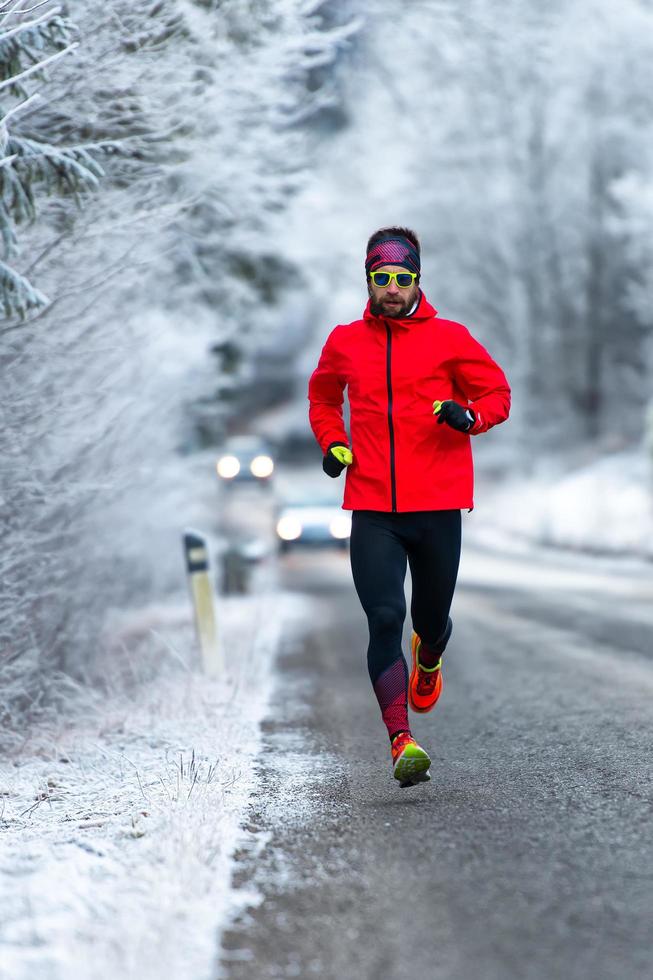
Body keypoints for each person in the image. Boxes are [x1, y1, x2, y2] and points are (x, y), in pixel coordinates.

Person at [307, 226, 511, 787]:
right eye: (381, 278)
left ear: (417, 279)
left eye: (401, 278)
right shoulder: (345, 341)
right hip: (373, 506)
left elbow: (497, 393)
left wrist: (470, 417)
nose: (391, 288)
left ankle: (430, 654)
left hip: (439, 504)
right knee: (383, 618)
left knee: (428, 619)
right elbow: (323, 396)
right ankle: (401, 740)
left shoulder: (451, 338)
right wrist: (332, 442)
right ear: (368, 281)